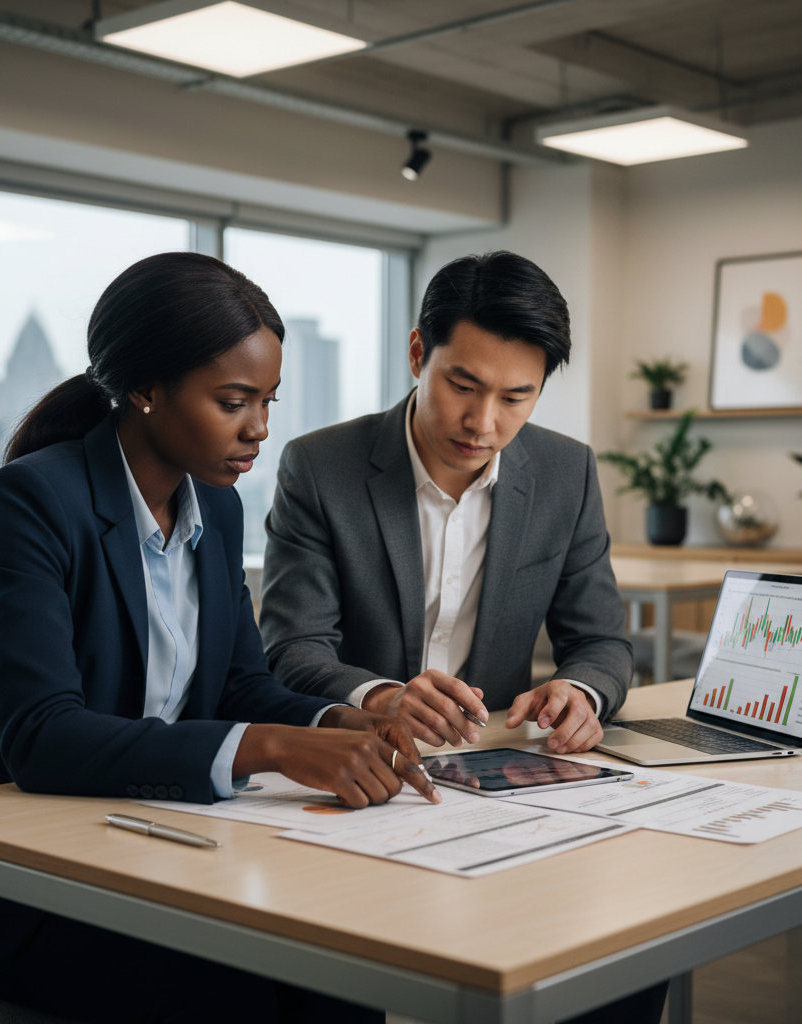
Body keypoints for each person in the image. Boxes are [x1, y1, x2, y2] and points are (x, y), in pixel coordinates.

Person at [0, 252, 438, 1024]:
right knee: (240, 992)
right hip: (2, 880)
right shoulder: (33, 500)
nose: (259, 429)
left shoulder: (216, 509)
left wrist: (336, 721)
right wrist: (275, 747)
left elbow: (237, 685)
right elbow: (43, 737)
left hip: (138, 845)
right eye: (234, 401)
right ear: (147, 389)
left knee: (338, 971)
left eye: (268, 400)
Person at [260, 251, 665, 1024]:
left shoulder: (567, 473)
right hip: (360, 783)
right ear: (418, 354)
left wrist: (580, 691)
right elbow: (290, 648)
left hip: (502, 786)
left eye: (518, 397)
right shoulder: (320, 467)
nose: (485, 424)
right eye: (463, 386)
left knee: (618, 952)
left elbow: (603, 643)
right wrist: (380, 697)